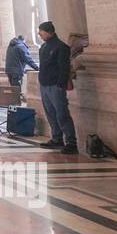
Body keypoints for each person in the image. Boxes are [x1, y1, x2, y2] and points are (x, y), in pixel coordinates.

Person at [36, 21, 77, 153]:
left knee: (62, 114)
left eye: (41, 31)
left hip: (55, 86)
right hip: (44, 85)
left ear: (48, 32)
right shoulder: (43, 47)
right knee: (51, 114)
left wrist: (60, 84)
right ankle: (57, 138)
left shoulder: (61, 47)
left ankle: (71, 142)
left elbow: (63, 68)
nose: (39, 34)